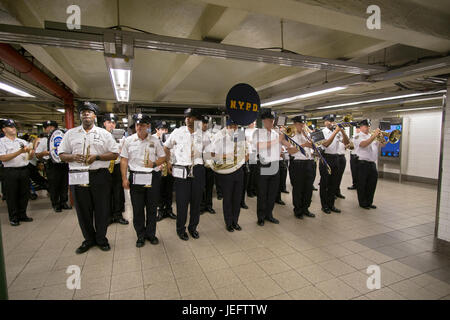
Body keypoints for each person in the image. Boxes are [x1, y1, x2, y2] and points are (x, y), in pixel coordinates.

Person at [59, 102, 119, 254]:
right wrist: (72, 156)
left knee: (102, 208)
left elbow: (114, 153)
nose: (86, 114)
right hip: (78, 175)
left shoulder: (104, 134)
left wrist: (97, 157)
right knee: (82, 209)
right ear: (80, 115)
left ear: (95, 116)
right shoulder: (70, 134)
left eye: (89, 112)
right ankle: (89, 239)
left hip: (99, 175)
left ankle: (101, 239)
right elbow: (61, 155)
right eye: (83, 112)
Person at [121, 114, 166, 247]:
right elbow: (124, 159)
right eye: (138, 124)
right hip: (135, 178)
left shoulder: (155, 141)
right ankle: (140, 235)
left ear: (148, 126)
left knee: (152, 208)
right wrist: (124, 178)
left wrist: (153, 164)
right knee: (138, 209)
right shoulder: (129, 140)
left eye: (143, 125)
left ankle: (151, 234)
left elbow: (163, 157)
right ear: (135, 126)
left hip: (152, 177)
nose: (140, 127)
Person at [164, 108, 206, 241]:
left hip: (198, 169)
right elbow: (166, 147)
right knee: (182, 202)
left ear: (197, 119)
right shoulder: (177, 132)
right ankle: (180, 229)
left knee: (196, 201)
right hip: (181, 169)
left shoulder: (203, 134)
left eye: (191, 117)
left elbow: (210, 151)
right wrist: (169, 162)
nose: (188, 119)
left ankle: (193, 227)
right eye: (186, 117)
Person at [253, 110, 294, 226]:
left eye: (272, 120)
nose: (271, 122)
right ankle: (261, 217)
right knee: (262, 193)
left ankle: (269, 215)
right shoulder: (258, 133)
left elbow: (288, 146)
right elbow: (260, 146)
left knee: (272, 192)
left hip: (275, 165)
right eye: (269, 120)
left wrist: (297, 144)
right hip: (264, 165)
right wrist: (278, 139)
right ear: (263, 121)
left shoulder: (276, 134)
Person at [210, 118, 248, 232]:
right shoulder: (219, 136)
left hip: (238, 170)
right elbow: (212, 155)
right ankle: (228, 222)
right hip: (226, 172)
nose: (234, 129)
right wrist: (227, 156)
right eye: (232, 126)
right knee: (228, 198)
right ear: (227, 126)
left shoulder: (240, 134)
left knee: (237, 198)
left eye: (236, 126)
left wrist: (244, 158)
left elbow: (246, 151)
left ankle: (235, 221)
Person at [0, 119, 34, 226]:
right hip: (10, 171)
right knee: (12, 195)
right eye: (10, 127)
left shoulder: (22, 141)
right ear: (4, 129)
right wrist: (19, 152)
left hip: (24, 170)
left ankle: (22, 214)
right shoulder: (2, 142)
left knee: (24, 194)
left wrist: (31, 152)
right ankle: (13, 217)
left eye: (14, 126)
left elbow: (29, 156)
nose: (13, 128)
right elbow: (3, 158)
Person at [35, 120, 70, 212]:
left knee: (64, 184)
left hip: (63, 163)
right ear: (45, 129)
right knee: (54, 185)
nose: (50, 129)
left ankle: (64, 202)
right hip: (51, 164)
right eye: (47, 127)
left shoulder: (62, 138)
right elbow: (37, 155)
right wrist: (44, 153)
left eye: (52, 127)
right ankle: (56, 204)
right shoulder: (43, 141)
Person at [319, 114, 349, 214]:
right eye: (329, 121)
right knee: (325, 183)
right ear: (325, 122)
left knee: (334, 183)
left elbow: (346, 143)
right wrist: (335, 132)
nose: (331, 123)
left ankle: (331, 204)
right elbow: (326, 144)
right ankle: (324, 206)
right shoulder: (321, 132)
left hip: (335, 158)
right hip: (325, 158)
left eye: (332, 121)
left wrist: (342, 131)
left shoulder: (337, 132)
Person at [354, 119, 387, 210]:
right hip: (362, 163)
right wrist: (374, 136)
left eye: (368, 126)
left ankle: (369, 202)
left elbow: (383, 145)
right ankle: (363, 203)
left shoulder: (371, 136)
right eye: (365, 126)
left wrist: (382, 137)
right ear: (360, 127)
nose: (368, 128)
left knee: (372, 184)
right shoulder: (357, 136)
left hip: (372, 164)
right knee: (362, 184)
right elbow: (363, 144)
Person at [288, 115, 316, 219]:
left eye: (303, 124)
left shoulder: (307, 134)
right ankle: (298, 210)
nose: (302, 126)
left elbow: (314, 147)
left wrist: (310, 140)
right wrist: (303, 145)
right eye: (300, 124)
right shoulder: (291, 135)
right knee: (298, 188)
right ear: (295, 124)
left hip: (309, 163)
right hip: (298, 164)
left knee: (308, 188)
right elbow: (290, 151)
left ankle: (306, 208)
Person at [102, 114, 128, 225]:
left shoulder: (122, 136)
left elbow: (125, 152)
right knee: (105, 192)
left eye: (113, 122)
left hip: (117, 165)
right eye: (109, 122)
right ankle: (107, 216)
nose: (111, 125)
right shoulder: (100, 135)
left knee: (118, 191)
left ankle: (118, 215)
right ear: (104, 124)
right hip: (104, 166)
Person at [153, 121, 177, 220]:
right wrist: (158, 165)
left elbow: (174, 152)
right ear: (157, 130)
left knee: (169, 190)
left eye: (166, 129)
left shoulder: (171, 138)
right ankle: (160, 210)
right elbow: (151, 154)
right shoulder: (152, 139)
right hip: (158, 168)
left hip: (169, 167)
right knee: (159, 190)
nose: (164, 131)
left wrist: (171, 163)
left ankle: (169, 209)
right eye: (162, 129)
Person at [200, 115, 216, 214]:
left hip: (210, 165)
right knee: (201, 187)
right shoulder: (196, 135)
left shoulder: (211, 135)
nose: (205, 125)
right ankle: (201, 206)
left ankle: (209, 205)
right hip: (200, 164)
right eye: (203, 123)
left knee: (209, 187)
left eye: (206, 123)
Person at [245, 121, 258, 198]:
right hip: (248, 154)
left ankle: (254, 190)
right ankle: (249, 191)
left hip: (255, 154)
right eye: (251, 122)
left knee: (254, 174)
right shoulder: (245, 131)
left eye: (254, 122)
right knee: (249, 174)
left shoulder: (257, 130)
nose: (253, 123)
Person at [335, 127, 347, 199]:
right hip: (335, 156)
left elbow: (346, 143)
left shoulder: (343, 134)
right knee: (334, 177)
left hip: (342, 157)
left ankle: (337, 191)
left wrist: (343, 132)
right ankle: (332, 192)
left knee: (339, 176)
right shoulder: (334, 134)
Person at [348, 125, 360, 190]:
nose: (357, 130)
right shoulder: (353, 136)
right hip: (353, 155)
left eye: (358, 128)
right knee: (354, 171)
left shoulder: (362, 137)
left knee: (359, 171)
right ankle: (354, 184)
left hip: (359, 156)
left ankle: (360, 184)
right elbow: (351, 145)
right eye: (357, 128)